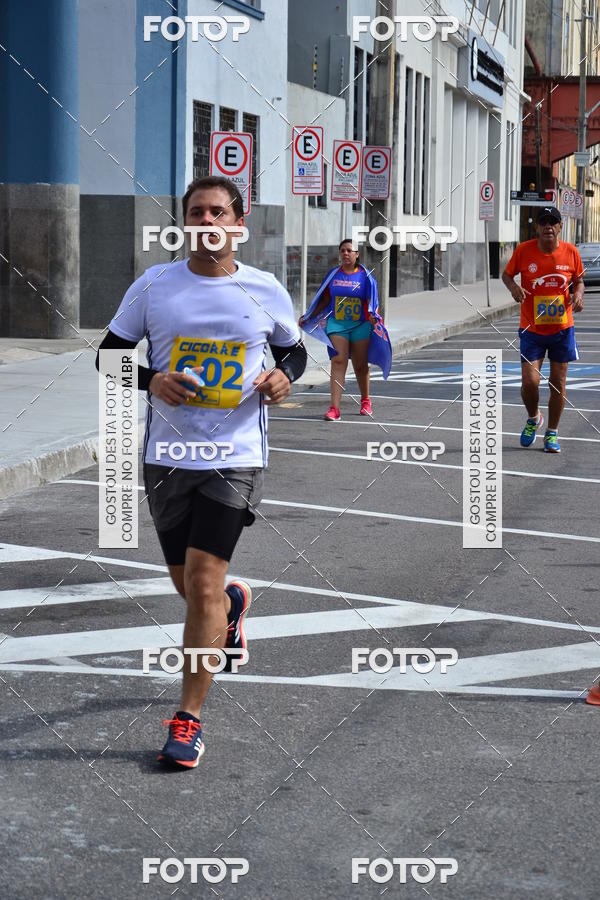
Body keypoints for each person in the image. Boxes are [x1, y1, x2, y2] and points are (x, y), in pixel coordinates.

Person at [96, 175, 306, 768]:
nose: (208, 221)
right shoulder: (155, 286)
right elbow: (108, 356)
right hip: (166, 456)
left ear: (239, 224)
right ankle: (232, 611)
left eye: (219, 212)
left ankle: (187, 720)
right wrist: (150, 379)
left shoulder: (264, 288)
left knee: (205, 583)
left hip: (235, 456)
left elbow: (293, 349)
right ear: (185, 222)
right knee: (189, 588)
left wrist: (283, 375)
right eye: (197, 212)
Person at [502, 206, 584, 453]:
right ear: (536, 227)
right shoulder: (523, 251)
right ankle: (533, 417)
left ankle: (551, 432)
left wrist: (578, 295)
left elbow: (579, 281)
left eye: (553, 222)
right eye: (543, 222)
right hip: (531, 328)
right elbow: (507, 276)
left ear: (560, 227)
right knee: (530, 382)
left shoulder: (571, 252)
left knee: (558, 383)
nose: (548, 226)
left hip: (562, 329)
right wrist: (514, 288)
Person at [299, 239, 391, 420]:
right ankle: (334, 408)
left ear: (357, 254)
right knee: (338, 360)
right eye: (343, 250)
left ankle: (365, 400)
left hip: (360, 325)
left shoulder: (365, 277)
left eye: (350, 250)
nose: (346, 253)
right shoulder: (333, 275)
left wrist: (374, 317)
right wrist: (309, 316)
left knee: (359, 364)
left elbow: (372, 302)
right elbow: (324, 299)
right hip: (337, 324)